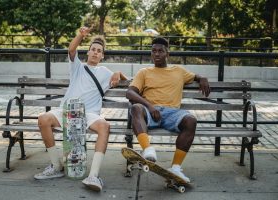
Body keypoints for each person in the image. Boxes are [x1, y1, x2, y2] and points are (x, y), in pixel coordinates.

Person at [34, 26, 128, 192]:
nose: (95, 53)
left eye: (99, 51)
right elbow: (71, 49)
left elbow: (128, 81)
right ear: (88, 52)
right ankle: (56, 166)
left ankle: (93, 175)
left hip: (89, 114)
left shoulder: (105, 72)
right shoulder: (77, 67)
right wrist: (80, 35)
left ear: (102, 55)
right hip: (66, 110)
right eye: (93, 49)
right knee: (43, 119)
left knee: (105, 126)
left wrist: (118, 73)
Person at [126, 37, 210, 183]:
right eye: (153, 51)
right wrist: (150, 106)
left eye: (160, 51)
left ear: (167, 54)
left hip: (173, 113)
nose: (157, 54)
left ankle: (175, 168)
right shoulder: (144, 72)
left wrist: (202, 77)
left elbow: (195, 77)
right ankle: (148, 150)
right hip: (150, 112)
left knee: (191, 120)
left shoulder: (179, 71)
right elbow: (130, 93)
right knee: (135, 108)